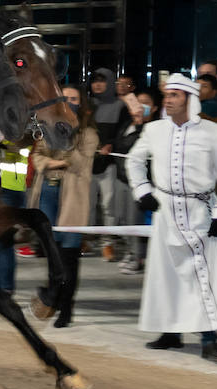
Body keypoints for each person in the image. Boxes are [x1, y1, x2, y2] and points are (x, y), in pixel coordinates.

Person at [128, 75, 217, 361]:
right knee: (166, 276)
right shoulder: (153, 130)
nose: (168, 99)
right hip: (165, 213)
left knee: (206, 277)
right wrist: (143, 191)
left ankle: (210, 339)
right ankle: (170, 333)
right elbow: (134, 160)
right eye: (167, 94)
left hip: (201, 213)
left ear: (191, 100)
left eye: (176, 95)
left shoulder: (215, 133)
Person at [27, 84, 98, 327]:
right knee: (52, 254)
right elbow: (37, 158)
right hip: (47, 193)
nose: (69, 101)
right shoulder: (48, 128)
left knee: (68, 257)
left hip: (72, 200)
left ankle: (66, 308)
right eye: (65, 97)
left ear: (82, 103)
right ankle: (52, 299)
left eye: (74, 98)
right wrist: (56, 163)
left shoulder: (88, 134)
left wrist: (68, 136)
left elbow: (79, 165)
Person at [116, 89, 158, 274]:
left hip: (142, 183)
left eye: (146, 103)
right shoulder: (127, 123)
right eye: (137, 102)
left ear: (155, 107)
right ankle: (131, 252)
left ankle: (138, 257)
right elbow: (120, 145)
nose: (140, 106)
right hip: (122, 179)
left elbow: (137, 150)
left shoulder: (154, 128)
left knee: (138, 221)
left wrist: (141, 125)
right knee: (126, 220)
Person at [0, 138, 30, 295]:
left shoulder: (18, 131)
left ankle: (5, 287)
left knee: (4, 240)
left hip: (10, 187)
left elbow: (18, 147)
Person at [89, 68, 125, 261]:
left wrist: (112, 144)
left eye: (102, 80)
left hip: (109, 163)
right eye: (95, 80)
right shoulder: (87, 104)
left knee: (109, 204)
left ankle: (107, 242)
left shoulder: (120, 105)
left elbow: (124, 132)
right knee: (87, 204)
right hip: (87, 163)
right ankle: (86, 237)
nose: (98, 84)